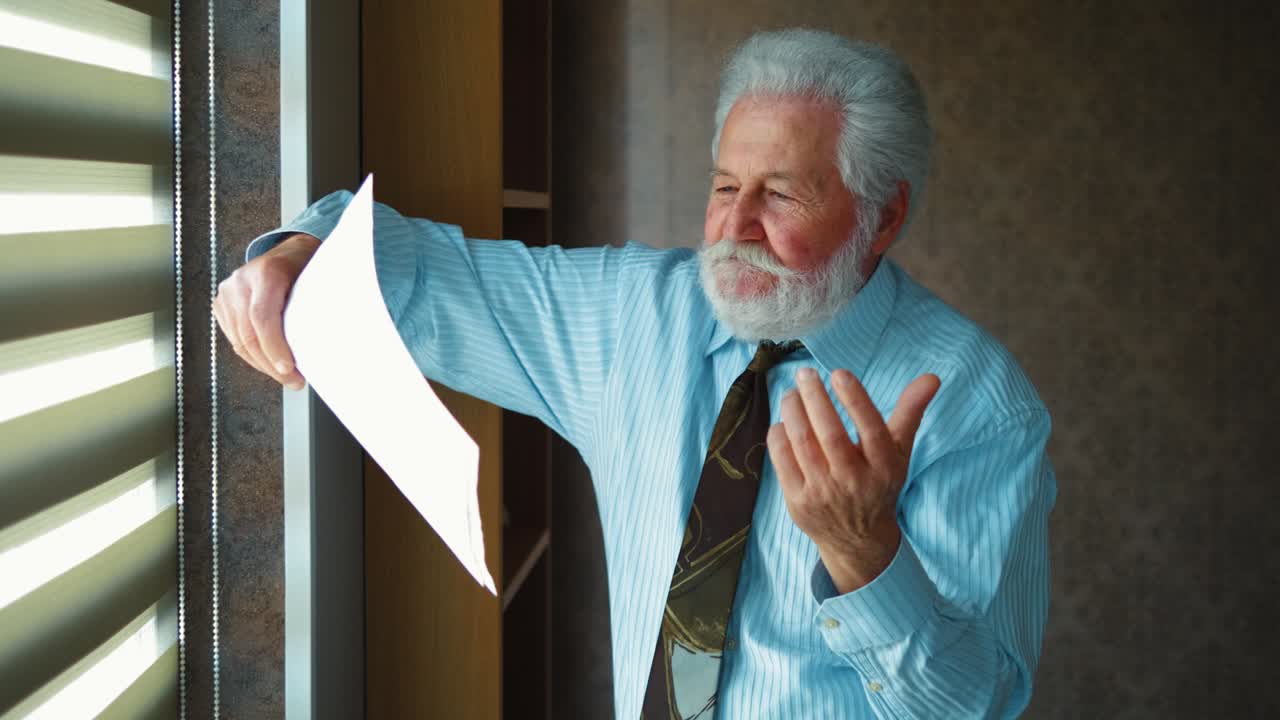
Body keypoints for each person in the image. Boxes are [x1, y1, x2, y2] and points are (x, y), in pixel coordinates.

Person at [215, 29, 1055, 720]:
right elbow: (427, 273)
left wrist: (866, 555)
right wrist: (302, 255)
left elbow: (979, 705)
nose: (736, 227)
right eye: (725, 185)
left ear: (885, 216)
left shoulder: (979, 405)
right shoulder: (633, 317)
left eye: (783, 195)